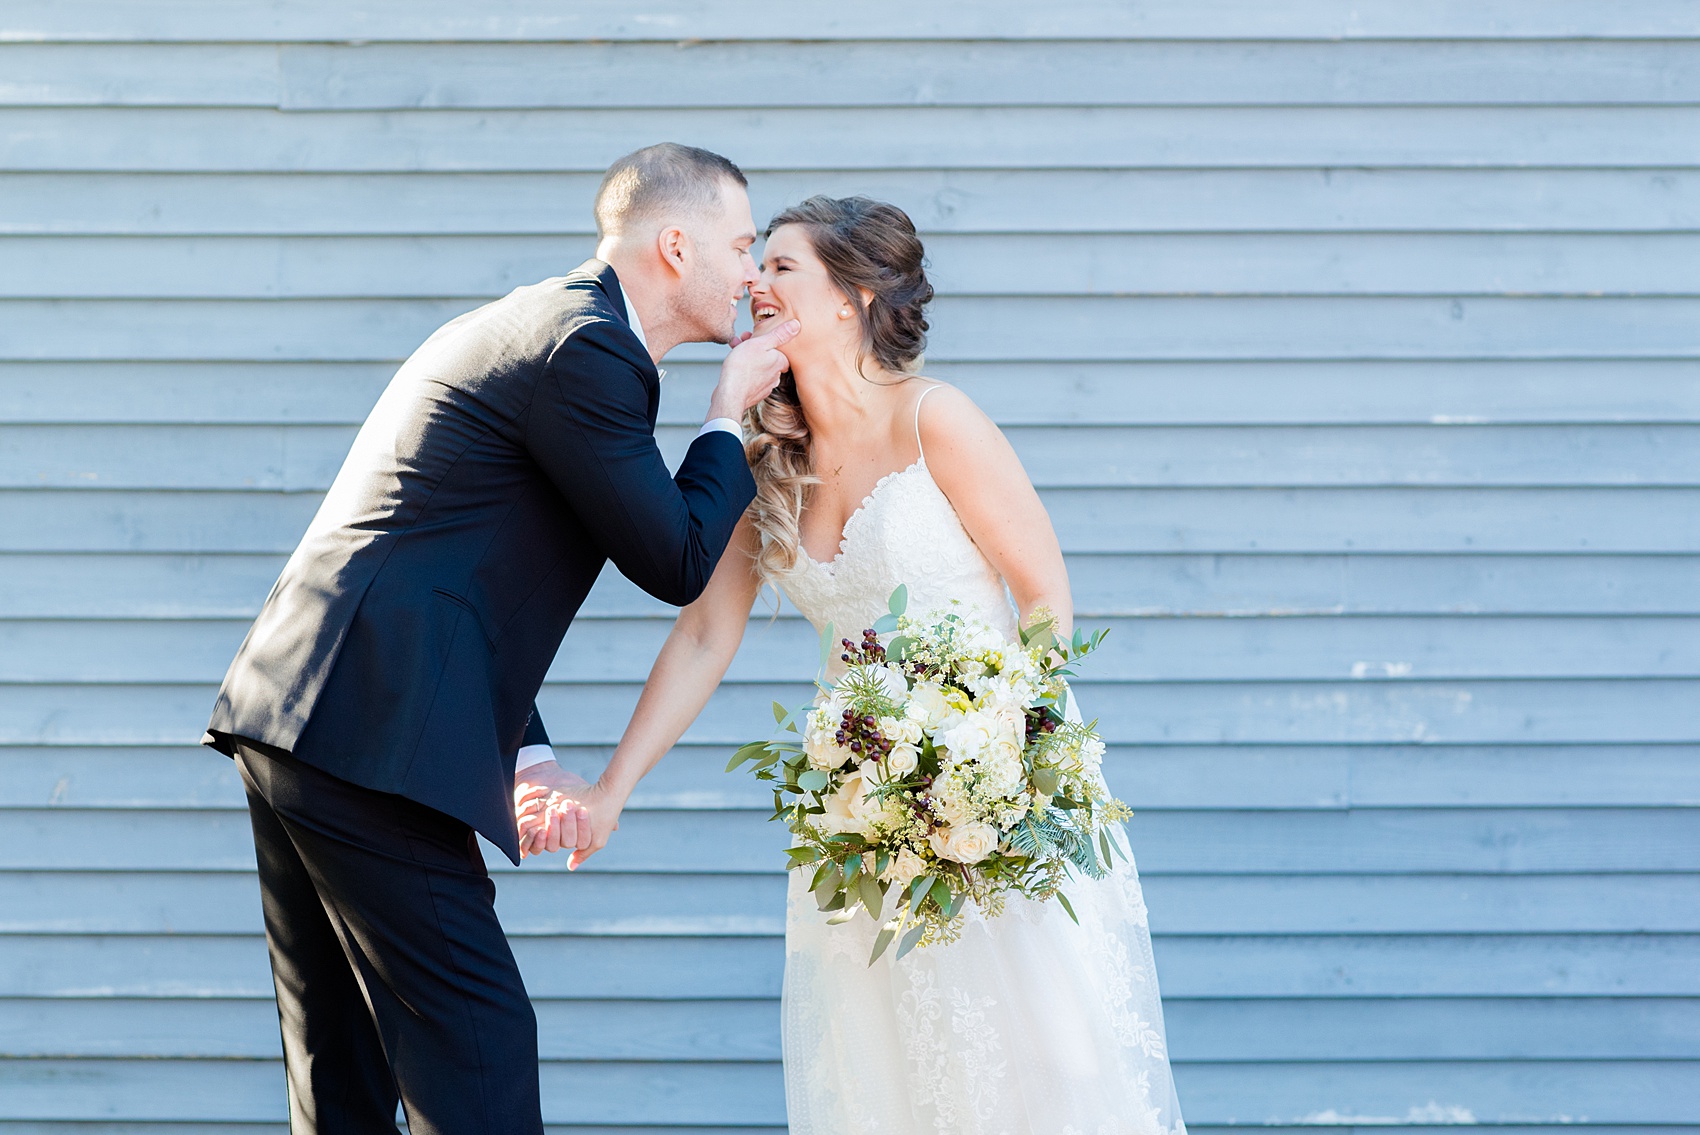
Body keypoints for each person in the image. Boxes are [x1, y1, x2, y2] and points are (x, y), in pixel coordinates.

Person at [519, 196, 1186, 1134]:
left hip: (1000, 797)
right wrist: (612, 788)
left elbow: (1044, 598)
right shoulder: (762, 462)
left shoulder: (935, 420)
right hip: (859, 810)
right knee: (897, 1074)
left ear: (851, 298)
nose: (754, 282)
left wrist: (1008, 759)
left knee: (1045, 1067)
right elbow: (707, 636)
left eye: (781, 266)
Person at [202, 143, 799, 1134]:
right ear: (674, 242)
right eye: (742, 245)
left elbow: (451, 567)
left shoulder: (539, 323)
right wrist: (727, 416)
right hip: (364, 736)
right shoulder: (591, 349)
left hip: (305, 712)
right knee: (476, 1039)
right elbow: (678, 557)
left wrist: (527, 750)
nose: (749, 273)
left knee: (342, 1065)